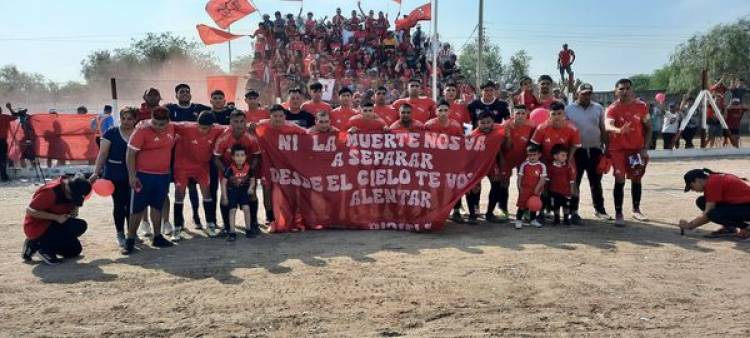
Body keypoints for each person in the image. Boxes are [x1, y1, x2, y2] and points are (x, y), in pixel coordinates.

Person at [123, 106, 175, 254]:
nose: (158, 127)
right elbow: (130, 154)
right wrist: (132, 176)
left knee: (157, 206)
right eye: (155, 123)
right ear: (151, 119)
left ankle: (157, 236)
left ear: (168, 121)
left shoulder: (172, 128)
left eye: (162, 124)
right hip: (143, 175)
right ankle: (130, 240)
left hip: (163, 175)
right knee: (137, 209)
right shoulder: (141, 130)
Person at [605, 78, 652, 226]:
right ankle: (619, 213)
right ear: (616, 92)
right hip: (618, 150)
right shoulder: (612, 108)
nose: (624, 91)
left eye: (627, 88)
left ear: (632, 90)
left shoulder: (641, 107)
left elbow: (649, 127)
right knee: (620, 179)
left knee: (637, 178)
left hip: (636, 150)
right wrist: (619, 130)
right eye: (621, 89)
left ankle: (636, 210)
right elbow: (608, 126)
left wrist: (644, 148)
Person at [171, 112, 225, 241]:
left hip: (202, 167)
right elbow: (165, 124)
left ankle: (210, 224)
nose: (202, 130)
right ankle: (177, 227)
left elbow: (233, 127)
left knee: (206, 193)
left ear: (212, 126)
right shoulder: (186, 127)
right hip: (182, 166)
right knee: (179, 194)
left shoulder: (219, 129)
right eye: (200, 126)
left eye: (205, 128)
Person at [89, 107, 137, 247]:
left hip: (133, 174)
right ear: (119, 119)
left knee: (131, 205)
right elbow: (103, 154)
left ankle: (131, 233)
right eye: (123, 118)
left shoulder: (139, 133)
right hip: (114, 174)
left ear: (135, 120)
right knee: (119, 204)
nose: (126, 121)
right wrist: (96, 172)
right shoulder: (111, 133)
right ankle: (120, 233)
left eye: (130, 119)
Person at [166, 84, 211, 229]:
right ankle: (176, 223)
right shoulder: (170, 109)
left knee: (193, 188)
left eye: (187, 92)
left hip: (196, 156)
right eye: (181, 92)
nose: (185, 94)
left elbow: (213, 117)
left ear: (190, 95)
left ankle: (196, 216)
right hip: (176, 155)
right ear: (176, 95)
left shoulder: (200, 109)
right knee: (179, 190)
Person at [565, 83, 611, 221]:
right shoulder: (569, 109)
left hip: (595, 150)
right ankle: (573, 211)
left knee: (596, 182)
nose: (586, 96)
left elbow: (602, 128)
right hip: (576, 151)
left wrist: (606, 148)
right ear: (577, 93)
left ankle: (600, 210)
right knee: (575, 182)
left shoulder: (598, 108)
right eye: (583, 93)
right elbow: (566, 130)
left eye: (589, 93)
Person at [22, 174, 91, 265]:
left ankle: (35, 245)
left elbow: (74, 206)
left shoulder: (73, 191)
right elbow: (30, 211)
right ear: (68, 187)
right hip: (37, 226)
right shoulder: (51, 191)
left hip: (55, 225)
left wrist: (72, 211)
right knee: (79, 225)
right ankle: (40, 246)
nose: (72, 198)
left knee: (74, 250)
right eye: (73, 195)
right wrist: (56, 217)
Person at [213, 110, 262, 238]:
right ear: (230, 122)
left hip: (246, 171)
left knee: (251, 195)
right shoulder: (223, 137)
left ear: (245, 122)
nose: (239, 125)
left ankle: (253, 224)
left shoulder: (250, 137)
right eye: (235, 121)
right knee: (226, 198)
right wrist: (228, 174)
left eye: (241, 121)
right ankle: (227, 227)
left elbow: (257, 156)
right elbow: (216, 158)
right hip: (227, 172)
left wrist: (249, 172)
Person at [680, 168, 750, 239]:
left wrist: (689, 225)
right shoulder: (713, 178)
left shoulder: (712, 183)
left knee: (712, 214)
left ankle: (746, 227)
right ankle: (729, 228)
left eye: (692, 186)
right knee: (702, 201)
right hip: (743, 206)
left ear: (698, 180)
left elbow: (707, 214)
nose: (693, 190)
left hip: (746, 207)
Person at [495, 105, 536, 222]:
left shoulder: (531, 126)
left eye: (522, 113)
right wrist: (501, 159)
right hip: (507, 158)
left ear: (526, 114)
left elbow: (534, 145)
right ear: (513, 114)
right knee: (504, 183)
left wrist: (530, 160)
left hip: (523, 158)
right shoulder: (505, 125)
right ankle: (502, 209)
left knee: (525, 183)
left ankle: (526, 209)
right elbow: (498, 145)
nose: (520, 116)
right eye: (517, 113)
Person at [220, 144, 257, 242]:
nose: (240, 158)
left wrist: (251, 188)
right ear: (233, 157)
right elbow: (223, 182)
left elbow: (253, 180)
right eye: (237, 155)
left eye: (242, 155)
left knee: (246, 208)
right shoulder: (230, 169)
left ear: (246, 157)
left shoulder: (249, 168)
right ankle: (232, 232)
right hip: (232, 191)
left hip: (243, 191)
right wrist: (224, 196)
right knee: (232, 210)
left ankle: (248, 229)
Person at [514, 144, 547, 229]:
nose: (532, 157)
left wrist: (537, 189)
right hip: (525, 189)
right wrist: (519, 187)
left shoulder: (542, 166)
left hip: (536, 190)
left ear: (539, 155)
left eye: (534, 155)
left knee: (534, 205)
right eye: (529, 155)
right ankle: (518, 220)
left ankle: (533, 220)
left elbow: (542, 179)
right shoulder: (524, 165)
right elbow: (520, 177)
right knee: (522, 206)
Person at [547, 144, 577, 225]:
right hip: (554, 190)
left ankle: (566, 218)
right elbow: (548, 179)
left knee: (566, 205)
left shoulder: (568, 167)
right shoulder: (551, 167)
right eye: (563, 155)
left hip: (566, 190)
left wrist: (571, 189)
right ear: (555, 156)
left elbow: (571, 179)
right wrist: (546, 188)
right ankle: (556, 218)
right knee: (556, 205)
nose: (565, 157)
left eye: (566, 155)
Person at [0, 105, 18, 181]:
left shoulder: (5, 117)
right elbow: (15, 117)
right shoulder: (5, 117)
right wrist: (10, 108)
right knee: (2, 159)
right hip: (3, 141)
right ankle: (3, 176)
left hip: (3, 141)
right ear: (1, 111)